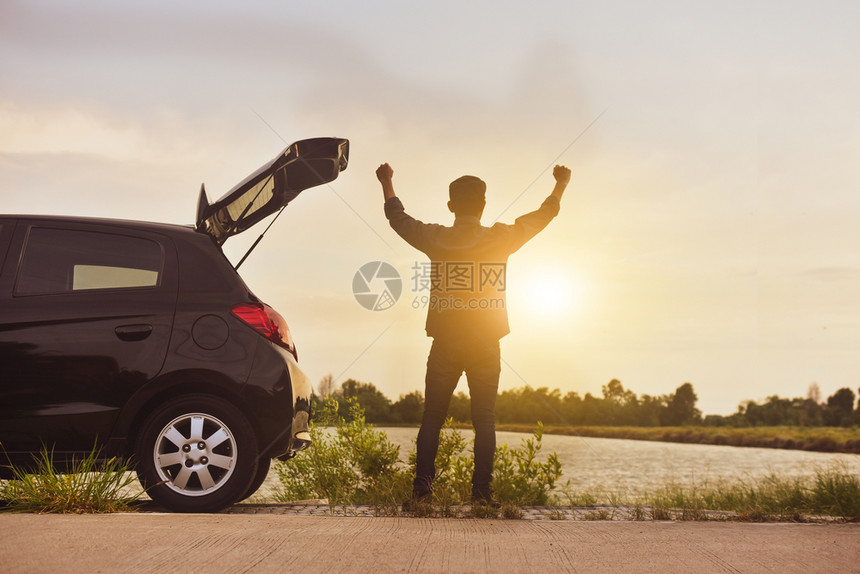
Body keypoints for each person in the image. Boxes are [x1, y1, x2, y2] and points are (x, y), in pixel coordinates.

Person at [376, 162, 571, 507]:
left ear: (451, 206)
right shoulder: (500, 237)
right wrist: (560, 184)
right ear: (483, 205)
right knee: (484, 420)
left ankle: (422, 493)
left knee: (432, 417)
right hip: (486, 344)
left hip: (445, 343)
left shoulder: (436, 237)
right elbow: (544, 215)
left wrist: (387, 181)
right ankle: (481, 496)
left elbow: (398, 218)